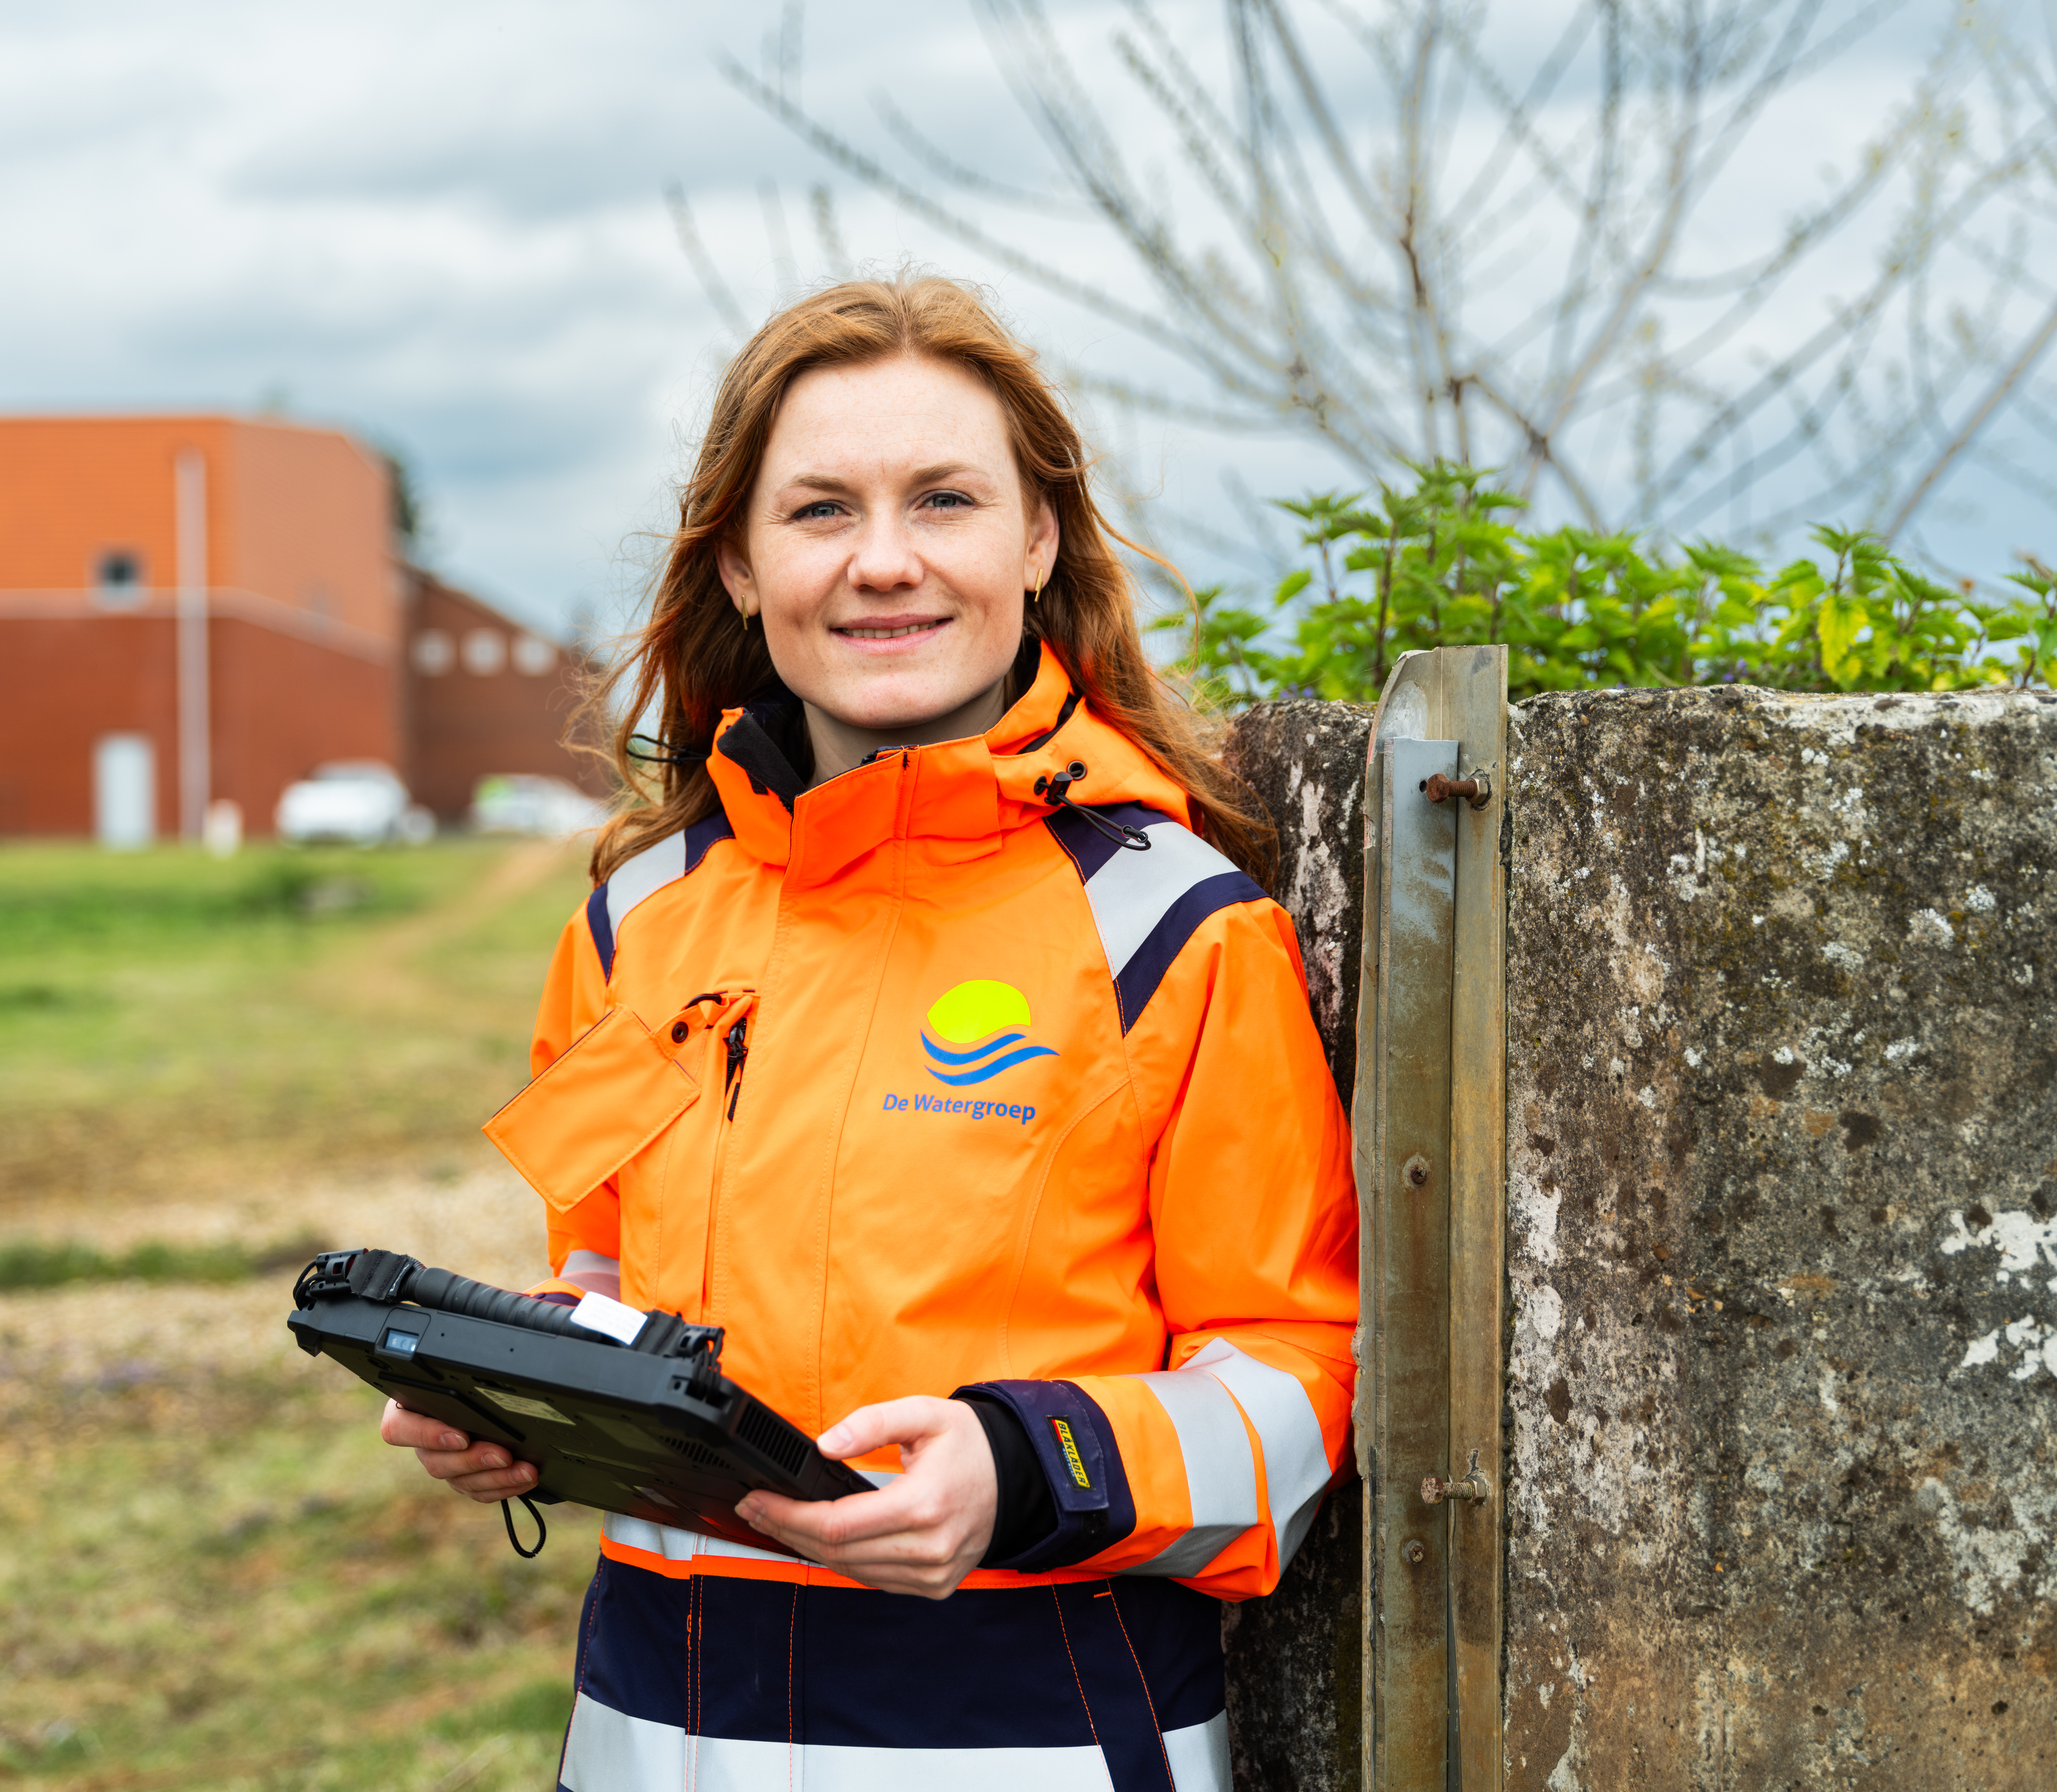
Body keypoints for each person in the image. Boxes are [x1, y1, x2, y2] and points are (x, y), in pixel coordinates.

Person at [380, 275, 1358, 1790]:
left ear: (1036, 541)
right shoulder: (636, 918)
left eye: (944, 501)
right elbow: (598, 1270)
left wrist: (1027, 1469)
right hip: (650, 1730)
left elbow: (1297, 1381)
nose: (883, 563)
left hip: (1028, 1731)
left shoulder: (1170, 926)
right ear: (737, 564)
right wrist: (521, 1401)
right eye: (821, 510)